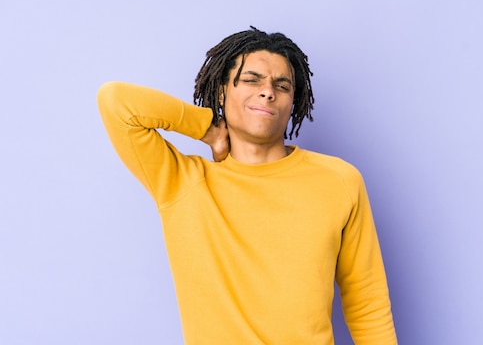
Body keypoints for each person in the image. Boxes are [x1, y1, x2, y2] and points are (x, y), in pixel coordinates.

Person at [97, 26, 397, 344]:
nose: (268, 91)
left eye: (282, 86)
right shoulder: (182, 182)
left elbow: (368, 306)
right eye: (252, 80)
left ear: (293, 101)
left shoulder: (339, 180)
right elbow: (116, 102)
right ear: (222, 92)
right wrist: (208, 129)